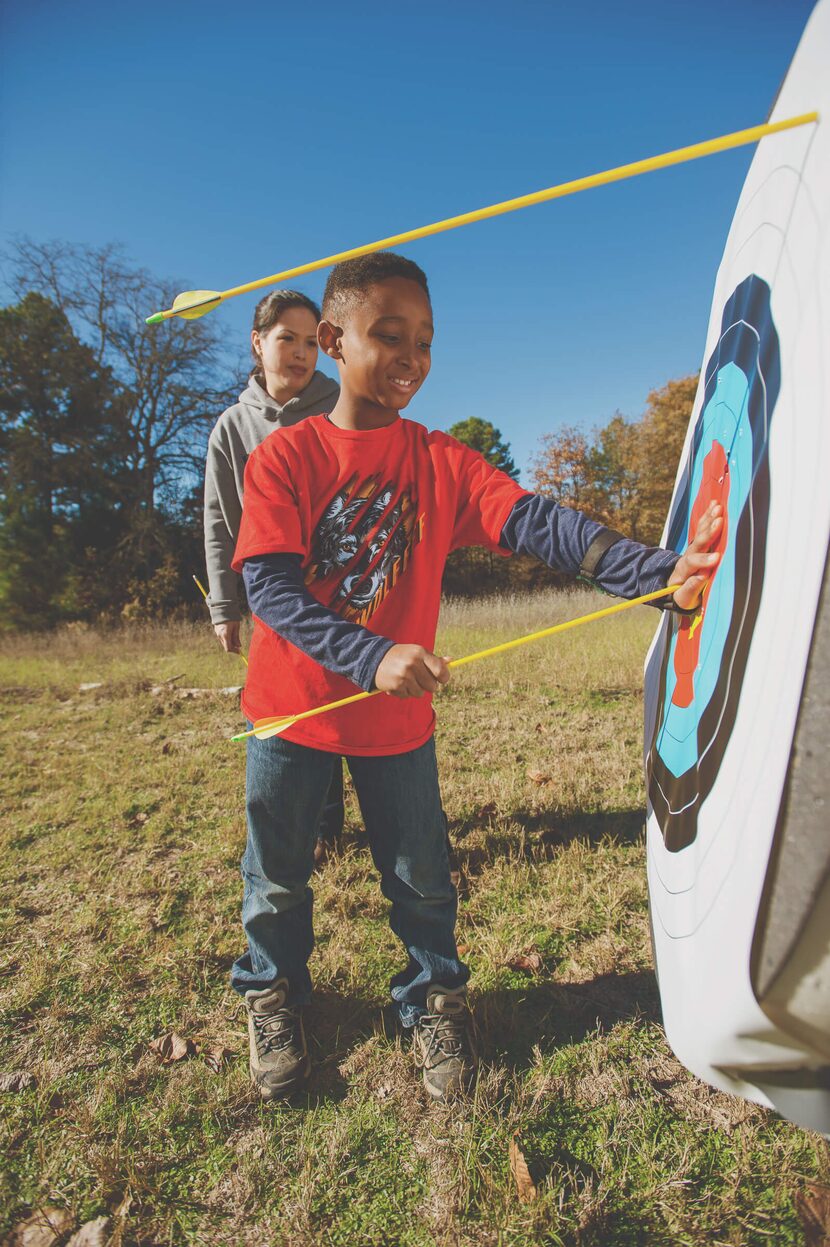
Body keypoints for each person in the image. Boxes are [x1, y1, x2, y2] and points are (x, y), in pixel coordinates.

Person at [231, 252, 722, 1102]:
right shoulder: (286, 458)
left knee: (423, 878)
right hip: (289, 714)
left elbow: (539, 524)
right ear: (333, 338)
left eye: (425, 339)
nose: (413, 357)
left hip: (397, 728)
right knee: (275, 878)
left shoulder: (440, 462)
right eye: (391, 335)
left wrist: (655, 572)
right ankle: (273, 992)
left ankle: (433, 999)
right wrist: (372, 654)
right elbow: (268, 588)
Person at [203, 290, 344, 859]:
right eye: (287, 338)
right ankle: (303, 825)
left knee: (343, 703)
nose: (301, 352)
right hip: (276, 596)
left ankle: (356, 821)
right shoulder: (232, 428)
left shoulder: (343, 403)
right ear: (259, 343)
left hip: (344, 587)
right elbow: (220, 520)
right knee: (287, 712)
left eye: (312, 342)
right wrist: (223, 605)